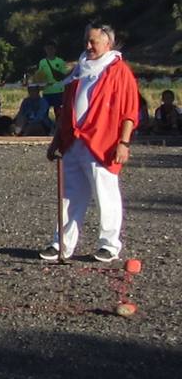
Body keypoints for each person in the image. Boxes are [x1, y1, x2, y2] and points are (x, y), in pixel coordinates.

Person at [38, 24, 139, 263]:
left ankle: (109, 244)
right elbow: (66, 109)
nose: (88, 46)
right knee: (70, 194)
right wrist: (56, 141)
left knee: (105, 193)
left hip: (102, 141)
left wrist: (123, 143)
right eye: (87, 41)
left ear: (108, 43)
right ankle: (61, 243)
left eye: (93, 41)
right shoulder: (79, 70)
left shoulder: (118, 70)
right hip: (74, 140)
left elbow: (129, 111)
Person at [33, 40, 73, 119]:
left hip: (58, 91)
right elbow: (40, 75)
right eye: (47, 49)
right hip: (47, 91)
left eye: (51, 49)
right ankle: (46, 128)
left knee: (58, 112)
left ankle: (58, 128)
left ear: (55, 49)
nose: (49, 51)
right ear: (45, 49)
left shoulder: (60, 61)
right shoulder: (42, 62)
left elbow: (63, 76)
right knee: (44, 111)